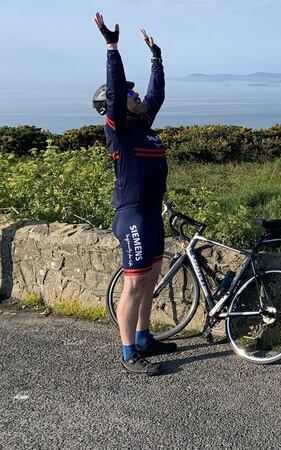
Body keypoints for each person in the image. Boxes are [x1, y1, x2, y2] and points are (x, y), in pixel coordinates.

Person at [93, 12, 175, 375]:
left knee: (151, 278)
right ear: (117, 103)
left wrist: (156, 57)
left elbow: (156, 93)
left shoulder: (144, 126)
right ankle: (129, 354)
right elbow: (114, 92)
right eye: (131, 92)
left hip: (152, 215)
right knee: (135, 282)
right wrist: (113, 47)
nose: (137, 93)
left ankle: (144, 337)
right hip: (133, 216)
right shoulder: (120, 132)